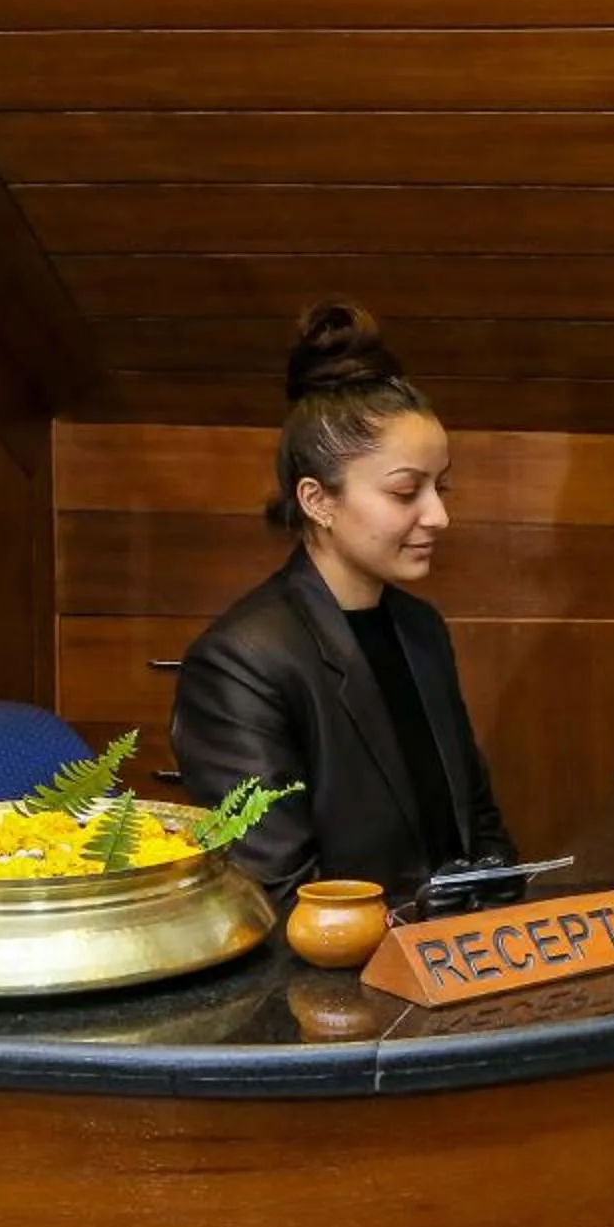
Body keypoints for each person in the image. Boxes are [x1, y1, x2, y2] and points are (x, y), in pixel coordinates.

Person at [171, 303, 516, 903]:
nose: (438, 515)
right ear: (317, 501)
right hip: (331, 985)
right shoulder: (238, 664)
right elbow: (276, 894)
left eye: (441, 488)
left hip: (451, 962)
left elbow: (479, 828)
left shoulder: (420, 628)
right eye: (406, 491)